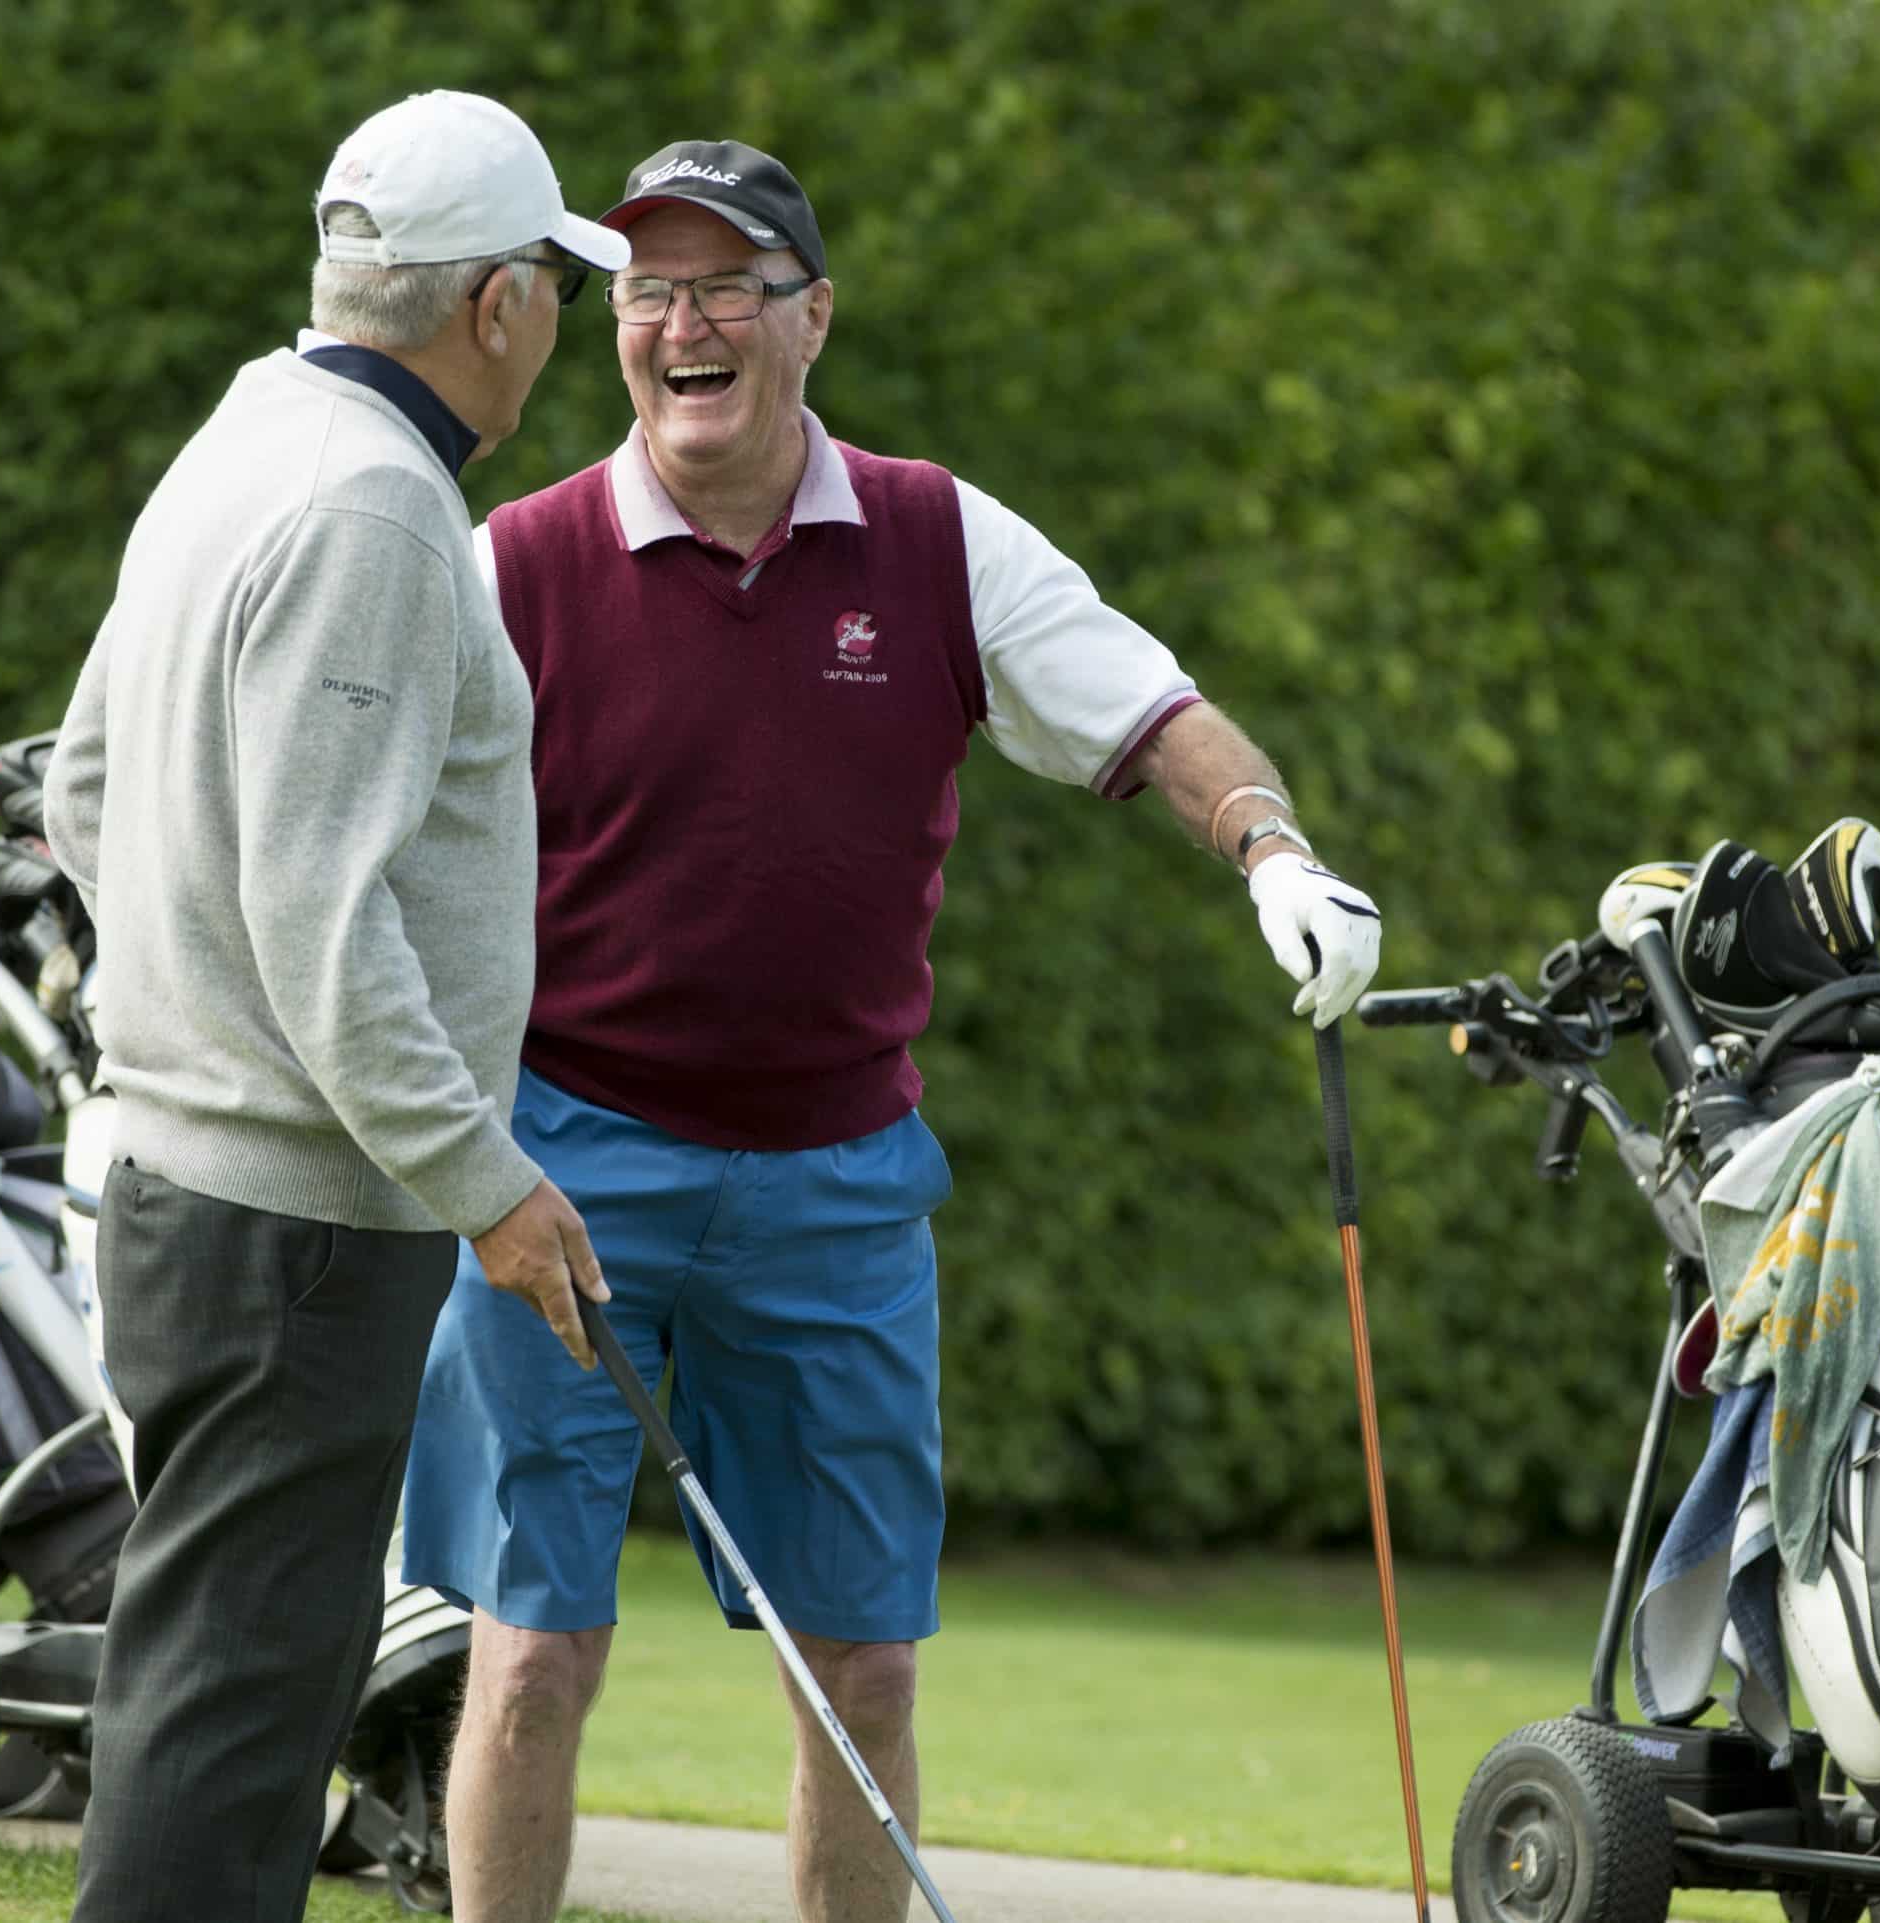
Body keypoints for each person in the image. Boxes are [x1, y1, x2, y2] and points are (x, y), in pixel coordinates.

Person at [399, 139, 1386, 1923]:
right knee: (531, 1654)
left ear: (813, 318)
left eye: (725, 288)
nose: (680, 323)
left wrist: (1275, 852)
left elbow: (1157, 710)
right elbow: (362, 818)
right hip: (565, 1165)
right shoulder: (512, 568)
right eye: (647, 291)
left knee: (860, 1675)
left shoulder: (935, 537)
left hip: (836, 1183)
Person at [42, 91, 624, 1923]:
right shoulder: (379, 505)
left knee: (211, 1690)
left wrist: (184, 1010)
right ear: (499, 304)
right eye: (556, 285)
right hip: (300, 1224)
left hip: (185, 1187)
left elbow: (81, 786)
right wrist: (490, 1183)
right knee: (240, 1721)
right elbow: (323, 917)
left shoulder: (247, 434)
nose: (564, 326)